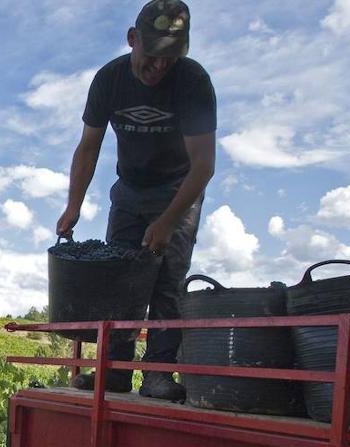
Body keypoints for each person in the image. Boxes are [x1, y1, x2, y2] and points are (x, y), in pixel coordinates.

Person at [55, 0, 216, 401]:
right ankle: (115, 373)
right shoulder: (109, 80)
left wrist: (167, 222)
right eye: (152, 55)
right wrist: (73, 204)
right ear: (132, 39)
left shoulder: (193, 82)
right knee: (120, 279)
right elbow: (89, 147)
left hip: (179, 190)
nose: (160, 66)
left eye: (171, 56)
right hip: (129, 189)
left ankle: (158, 374)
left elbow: (203, 166)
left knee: (166, 281)